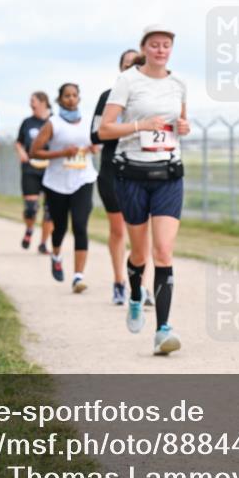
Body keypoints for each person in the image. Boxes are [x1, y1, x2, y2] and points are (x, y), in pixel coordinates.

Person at [96, 25, 189, 355]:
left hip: (169, 173)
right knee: (139, 253)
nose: (161, 50)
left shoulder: (179, 84)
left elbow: (180, 124)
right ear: (144, 49)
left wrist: (183, 127)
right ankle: (135, 294)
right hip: (132, 174)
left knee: (162, 251)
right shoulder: (127, 81)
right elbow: (104, 130)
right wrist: (140, 125)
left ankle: (163, 330)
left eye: (166, 45)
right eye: (154, 45)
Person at [91, 48, 155, 306]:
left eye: (136, 63)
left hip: (144, 167)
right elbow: (96, 134)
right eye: (127, 64)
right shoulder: (108, 97)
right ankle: (119, 281)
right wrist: (131, 128)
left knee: (142, 232)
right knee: (118, 229)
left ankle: (142, 286)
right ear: (120, 69)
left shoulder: (151, 98)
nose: (131, 68)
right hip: (113, 169)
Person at [30, 83, 98, 292]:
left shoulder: (88, 121)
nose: (71, 99)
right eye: (67, 96)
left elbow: (97, 143)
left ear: (79, 98)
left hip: (83, 179)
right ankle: (56, 255)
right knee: (60, 226)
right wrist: (61, 153)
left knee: (80, 225)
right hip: (57, 183)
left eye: (74, 95)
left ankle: (78, 277)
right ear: (60, 99)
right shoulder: (53, 123)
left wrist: (93, 148)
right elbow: (34, 151)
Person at [15, 92, 54, 254]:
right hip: (30, 168)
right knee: (31, 208)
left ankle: (43, 243)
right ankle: (29, 229)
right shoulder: (27, 122)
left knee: (50, 210)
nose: (31, 104)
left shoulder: (54, 121)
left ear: (43, 102)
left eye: (33, 101)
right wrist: (21, 152)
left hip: (51, 169)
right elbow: (19, 142)